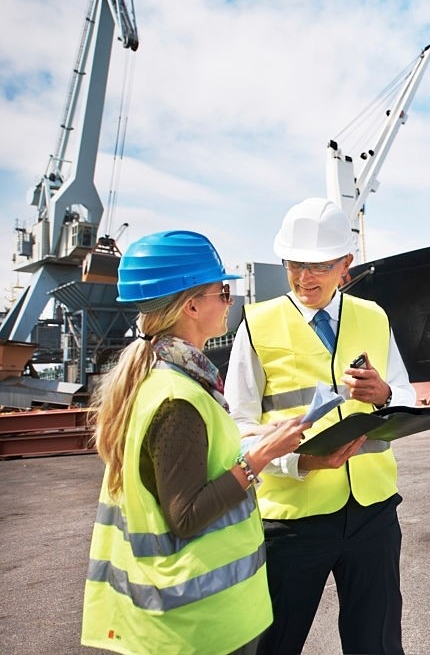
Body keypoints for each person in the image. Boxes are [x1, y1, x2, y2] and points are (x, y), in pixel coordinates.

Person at [81, 230, 311, 654]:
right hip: (198, 622)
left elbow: (195, 462)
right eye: (222, 292)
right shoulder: (177, 399)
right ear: (191, 305)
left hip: (193, 616)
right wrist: (258, 458)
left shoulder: (171, 379)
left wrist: (260, 436)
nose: (229, 301)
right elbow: (185, 515)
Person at [224, 197, 415, 655]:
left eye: (320, 266)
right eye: (295, 265)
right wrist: (300, 460)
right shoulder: (257, 324)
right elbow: (237, 424)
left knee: (379, 643)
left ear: (346, 264)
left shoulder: (374, 316)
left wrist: (385, 395)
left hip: (373, 510)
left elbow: (406, 393)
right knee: (273, 643)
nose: (304, 278)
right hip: (292, 518)